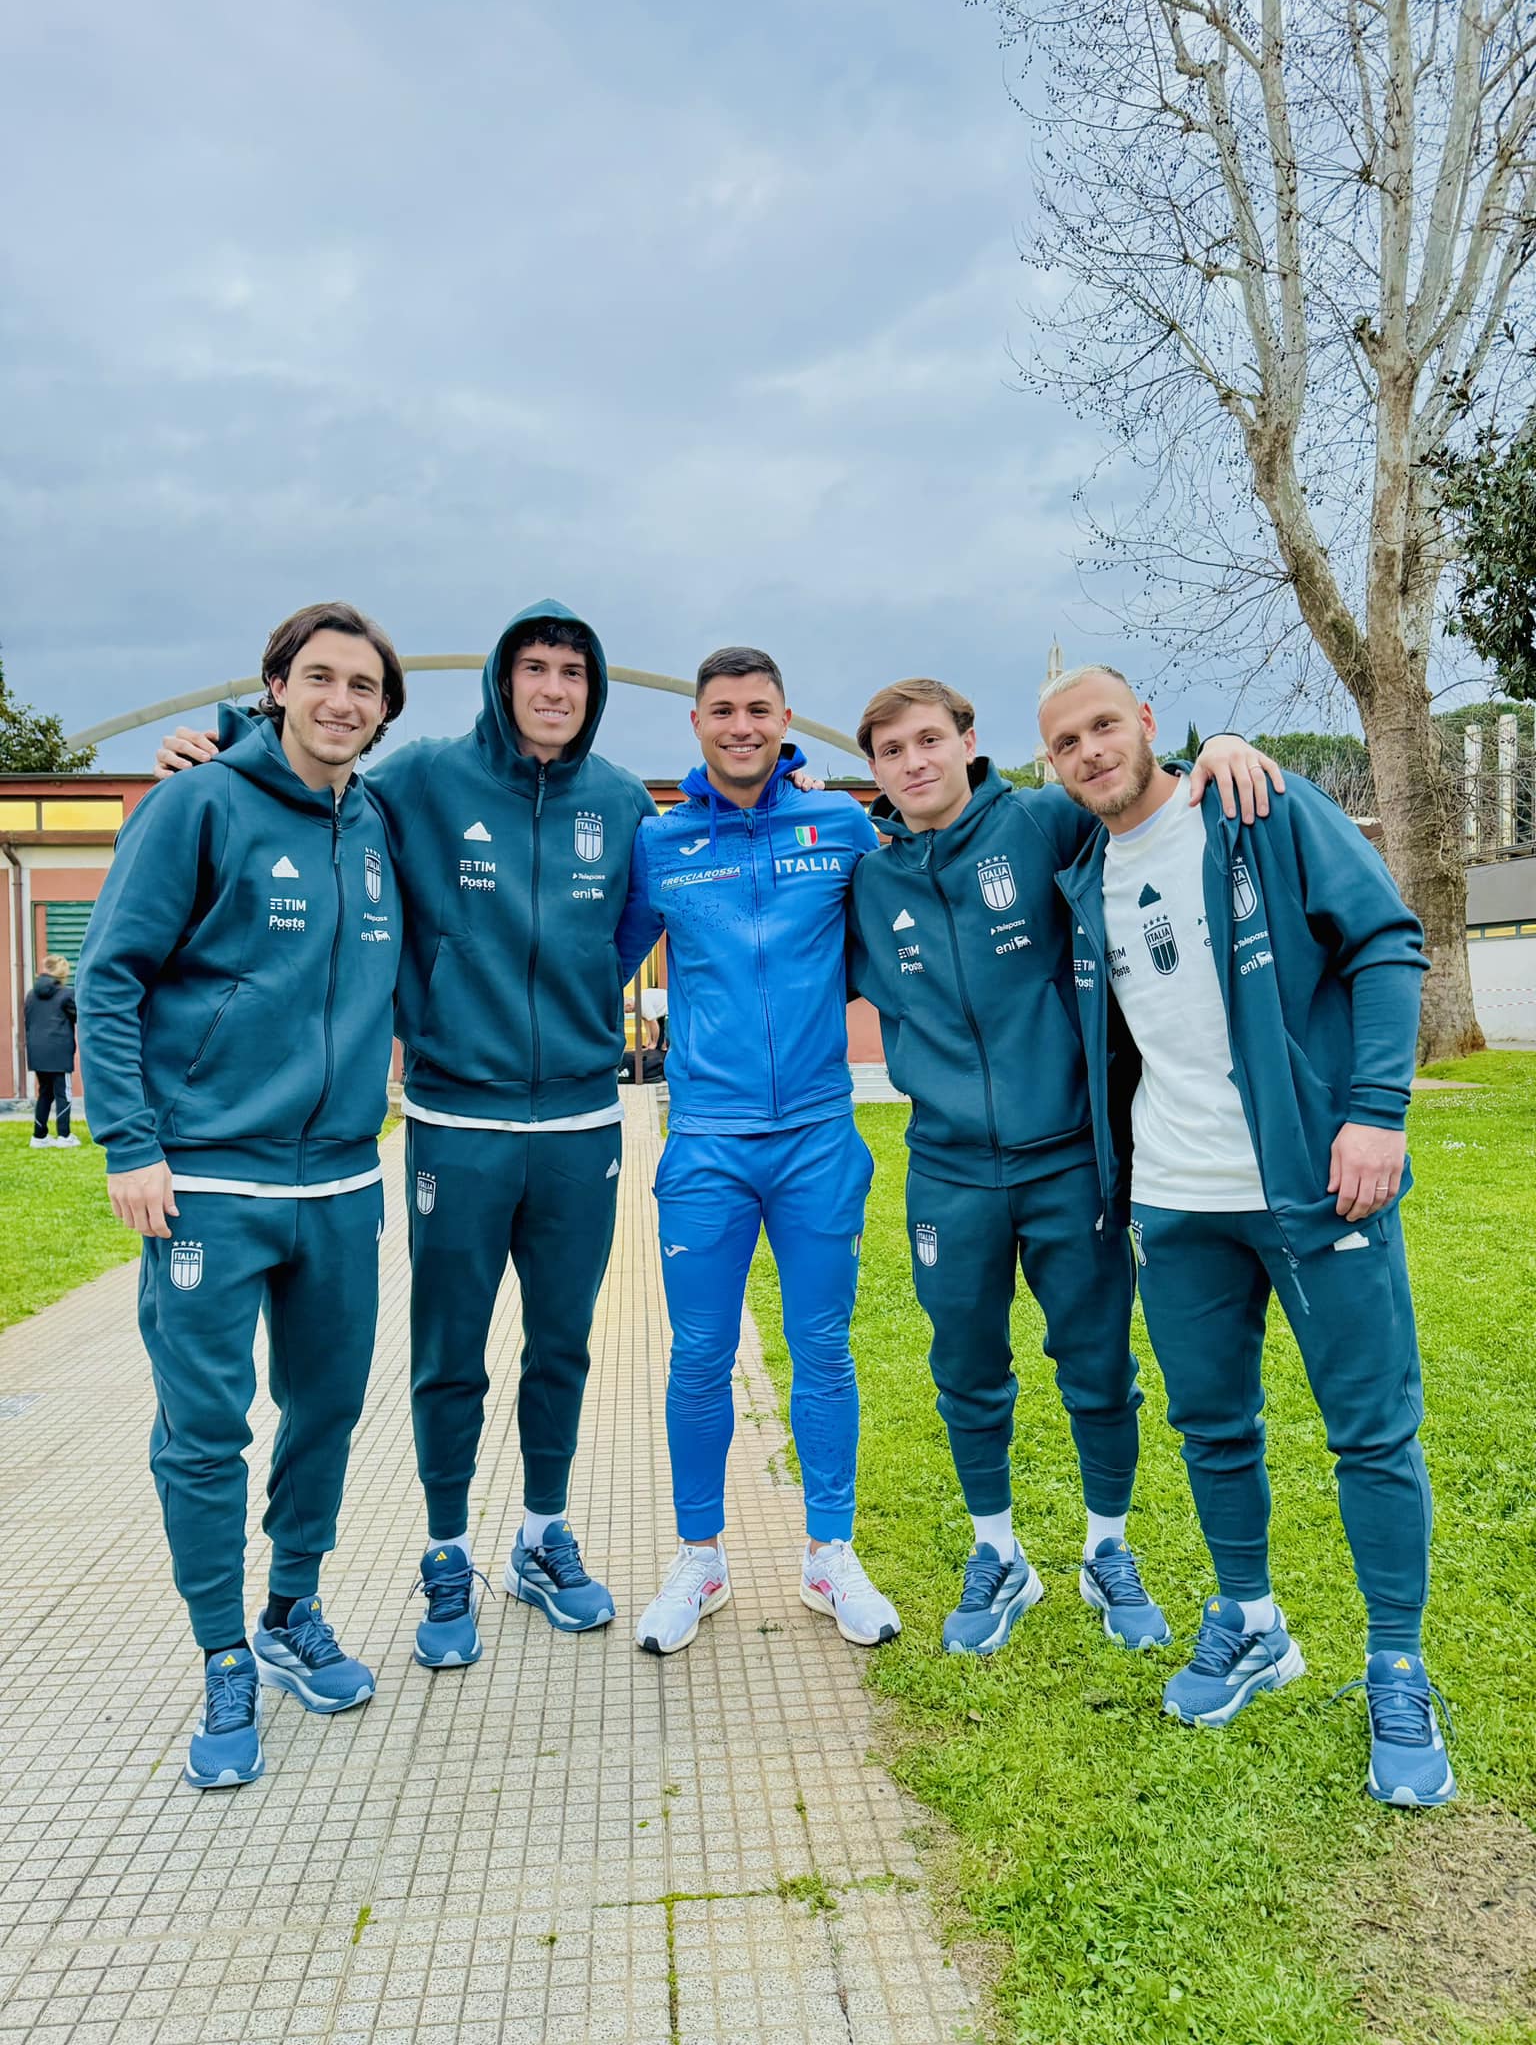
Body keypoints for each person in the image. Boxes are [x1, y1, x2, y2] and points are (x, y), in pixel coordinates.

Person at [158, 602, 658, 1666]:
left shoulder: (620, 800)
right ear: (501, 679)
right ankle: (445, 1551)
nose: (554, 689)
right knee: (450, 1349)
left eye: (573, 672)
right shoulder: (422, 777)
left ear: (595, 689)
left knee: (563, 1342)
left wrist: (571, 1004)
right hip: (456, 1116)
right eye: (534, 668)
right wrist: (220, 746)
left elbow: (626, 935)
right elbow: (310, 787)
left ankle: (543, 1534)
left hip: (580, 1118)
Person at [1040, 663, 1454, 1808]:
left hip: (1316, 1183)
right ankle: (1252, 1619)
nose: (1090, 751)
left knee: (1372, 1432)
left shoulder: (1256, 805)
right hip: (1176, 1200)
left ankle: (1397, 1664)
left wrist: (1377, 1111)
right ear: (1053, 765)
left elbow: (1386, 940)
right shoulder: (1082, 871)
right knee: (1213, 1424)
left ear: (1147, 724)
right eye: (1066, 741)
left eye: (1105, 725)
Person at [850, 677, 1280, 1656]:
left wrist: (1216, 752)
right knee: (966, 1367)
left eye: (929, 739)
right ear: (873, 768)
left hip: (1069, 1160)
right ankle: (998, 1553)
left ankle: (1106, 1549)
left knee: (1098, 1364)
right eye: (891, 750)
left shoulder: (1044, 822)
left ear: (969, 742)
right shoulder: (868, 882)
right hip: (948, 1170)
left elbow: (1142, 803)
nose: (914, 762)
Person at [79, 602, 405, 1789]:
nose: (341, 700)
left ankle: (289, 1609)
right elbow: (110, 975)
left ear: (384, 707)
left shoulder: (378, 822)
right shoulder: (196, 803)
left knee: (327, 1410)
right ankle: (221, 1652)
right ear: (274, 686)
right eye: (319, 677)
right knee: (207, 1430)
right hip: (208, 1181)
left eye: (363, 685)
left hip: (344, 1177)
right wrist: (128, 1142)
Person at [616, 648, 901, 1655]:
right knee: (698, 1354)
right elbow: (593, 958)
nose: (742, 726)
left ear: (785, 720)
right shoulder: (660, 842)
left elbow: (913, 911)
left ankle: (830, 1553)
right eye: (724, 710)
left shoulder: (844, 827)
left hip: (819, 1134)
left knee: (823, 1348)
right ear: (695, 722)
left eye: (760, 710)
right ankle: (700, 1557)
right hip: (708, 1143)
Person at [25, 955, 80, 1148]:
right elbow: (78, 1016)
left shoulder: (31, 994)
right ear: (63, 973)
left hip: (36, 1051)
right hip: (59, 1051)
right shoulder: (67, 994)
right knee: (63, 1093)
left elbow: (29, 1021)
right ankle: (64, 1136)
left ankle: (39, 1136)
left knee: (45, 1093)